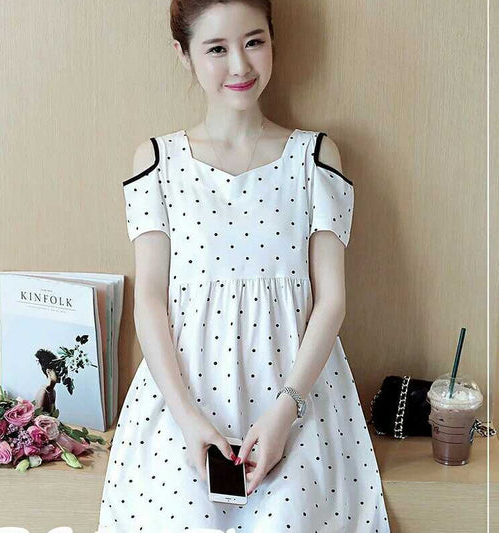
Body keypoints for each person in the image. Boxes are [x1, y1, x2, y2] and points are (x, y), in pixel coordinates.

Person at [99, 1, 391, 531]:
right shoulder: (157, 161)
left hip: (297, 401)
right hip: (182, 405)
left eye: (254, 41)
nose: (240, 65)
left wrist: (285, 412)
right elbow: (149, 302)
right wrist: (187, 420)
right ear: (183, 54)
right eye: (217, 48)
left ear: (273, 41)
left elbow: (331, 302)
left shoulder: (315, 157)